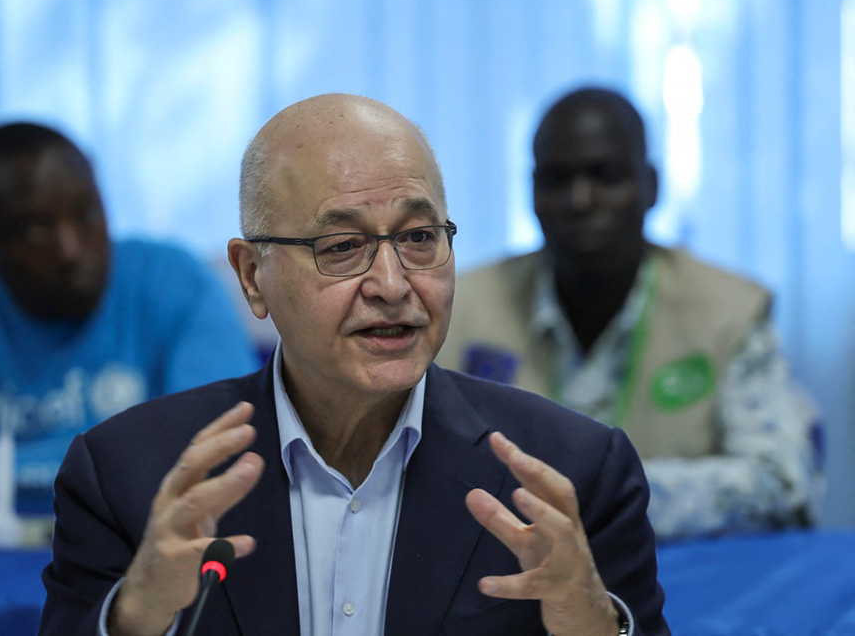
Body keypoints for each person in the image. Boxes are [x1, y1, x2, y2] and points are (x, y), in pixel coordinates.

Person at [39, 94, 669, 636]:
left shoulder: (574, 474)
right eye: (342, 247)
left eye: (419, 238)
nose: (392, 284)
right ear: (253, 277)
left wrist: (594, 624)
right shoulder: (126, 477)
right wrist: (131, 618)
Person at [437, 86, 820, 540]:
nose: (581, 200)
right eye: (557, 180)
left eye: (606, 176)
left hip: (688, 581)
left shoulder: (729, 311)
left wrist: (604, 495)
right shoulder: (456, 303)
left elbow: (782, 483)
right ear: (532, 194)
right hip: (502, 581)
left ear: (651, 186)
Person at [0, 122, 260, 525]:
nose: (69, 249)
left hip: (131, 551)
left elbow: (222, 470)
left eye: (86, 213)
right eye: (32, 229)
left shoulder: (176, 289)